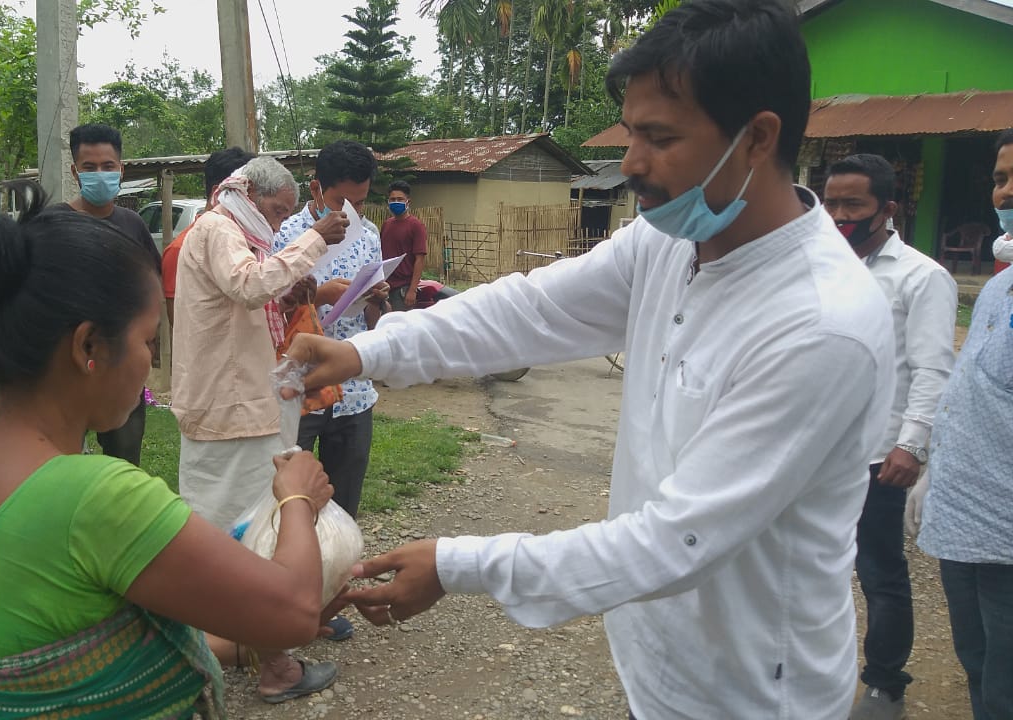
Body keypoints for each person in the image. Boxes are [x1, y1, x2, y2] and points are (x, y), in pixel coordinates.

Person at [285, 2, 898, 717]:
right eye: (631, 133)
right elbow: (528, 309)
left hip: (756, 690)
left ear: (758, 137)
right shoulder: (668, 244)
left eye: (659, 137)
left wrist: (457, 565)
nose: (631, 165)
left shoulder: (819, 326)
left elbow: (674, 541)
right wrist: (363, 350)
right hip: (656, 663)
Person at [0, 186, 342, 715]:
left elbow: (86, 636)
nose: (150, 361)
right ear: (89, 347)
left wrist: (239, 635)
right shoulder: (96, 497)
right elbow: (297, 611)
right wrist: (296, 499)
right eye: (148, 342)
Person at [822, 153, 957, 720]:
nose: (839, 215)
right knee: (804, 563)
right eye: (831, 203)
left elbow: (932, 368)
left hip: (877, 455)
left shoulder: (921, 277)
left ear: (888, 209)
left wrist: (912, 444)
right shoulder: (819, 266)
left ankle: (884, 685)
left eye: (853, 204)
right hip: (812, 452)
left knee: (880, 574)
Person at [171, 156, 348, 532]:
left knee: (254, 515)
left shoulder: (237, 234)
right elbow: (248, 287)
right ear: (249, 193)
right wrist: (314, 239)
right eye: (276, 211)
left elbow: (241, 308)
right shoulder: (219, 228)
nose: (277, 223)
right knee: (225, 520)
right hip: (228, 404)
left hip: (244, 403)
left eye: (285, 216)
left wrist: (284, 301)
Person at [910, 129, 1013, 720]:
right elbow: (969, 390)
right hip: (965, 516)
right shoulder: (998, 288)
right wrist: (935, 467)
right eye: (1000, 178)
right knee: (976, 662)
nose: (1006, 190)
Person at [273, 141, 387, 641]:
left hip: (355, 392)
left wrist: (375, 299)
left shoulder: (370, 236)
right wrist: (321, 293)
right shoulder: (286, 234)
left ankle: (330, 602)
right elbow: (269, 309)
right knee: (292, 501)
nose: (352, 213)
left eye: (361, 202)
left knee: (345, 498)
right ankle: (285, 604)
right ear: (317, 189)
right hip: (301, 391)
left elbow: (378, 320)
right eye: (344, 201)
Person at [49, 122, 158, 467]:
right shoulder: (52, 226)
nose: (100, 174)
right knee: (63, 462)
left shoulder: (133, 225)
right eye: (90, 167)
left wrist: (148, 344)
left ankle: (118, 521)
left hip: (121, 365)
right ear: (75, 171)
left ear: (121, 169)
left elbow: (151, 290)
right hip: (65, 366)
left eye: (108, 167)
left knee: (124, 465)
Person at [162, 147, 255, 326]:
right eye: (248, 195)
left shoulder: (249, 243)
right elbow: (184, 327)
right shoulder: (180, 250)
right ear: (219, 194)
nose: (255, 205)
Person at [380, 180, 428, 311]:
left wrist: (412, 290)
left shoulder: (416, 226)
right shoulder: (386, 225)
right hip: (384, 287)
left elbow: (420, 259)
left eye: (400, 199)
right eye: (392, 199)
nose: (396, 202)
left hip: (403, 289)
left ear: (408, 202)